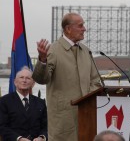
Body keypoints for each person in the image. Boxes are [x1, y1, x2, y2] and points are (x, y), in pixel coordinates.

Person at [32, 12, 102, 141]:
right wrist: (42, 59)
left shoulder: (86, 51)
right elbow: (42, 79)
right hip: (63, 118)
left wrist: (87, 100)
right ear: (68, 29)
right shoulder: (53, 50)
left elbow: (96, 80)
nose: (84, 29)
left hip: (87, 114)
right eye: (80, 26)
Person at [0, 66, 48, 141]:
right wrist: (19, 139)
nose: (24, 80)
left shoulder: (40, 103)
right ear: (15, 82)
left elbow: (46, 126)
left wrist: (42, 137)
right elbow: (2, 126)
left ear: (33, 83)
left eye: (28, 78)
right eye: (21, 77)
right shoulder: (4, 101)